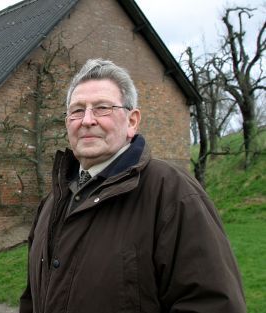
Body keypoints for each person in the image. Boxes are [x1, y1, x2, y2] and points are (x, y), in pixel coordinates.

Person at [19, 59, 246, 313]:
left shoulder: (172, 193)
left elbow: (213, 305)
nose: (87, 120)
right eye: (77, 110)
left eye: (103, 108)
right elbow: (31, 299)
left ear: (132, 121)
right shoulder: (52, 202)